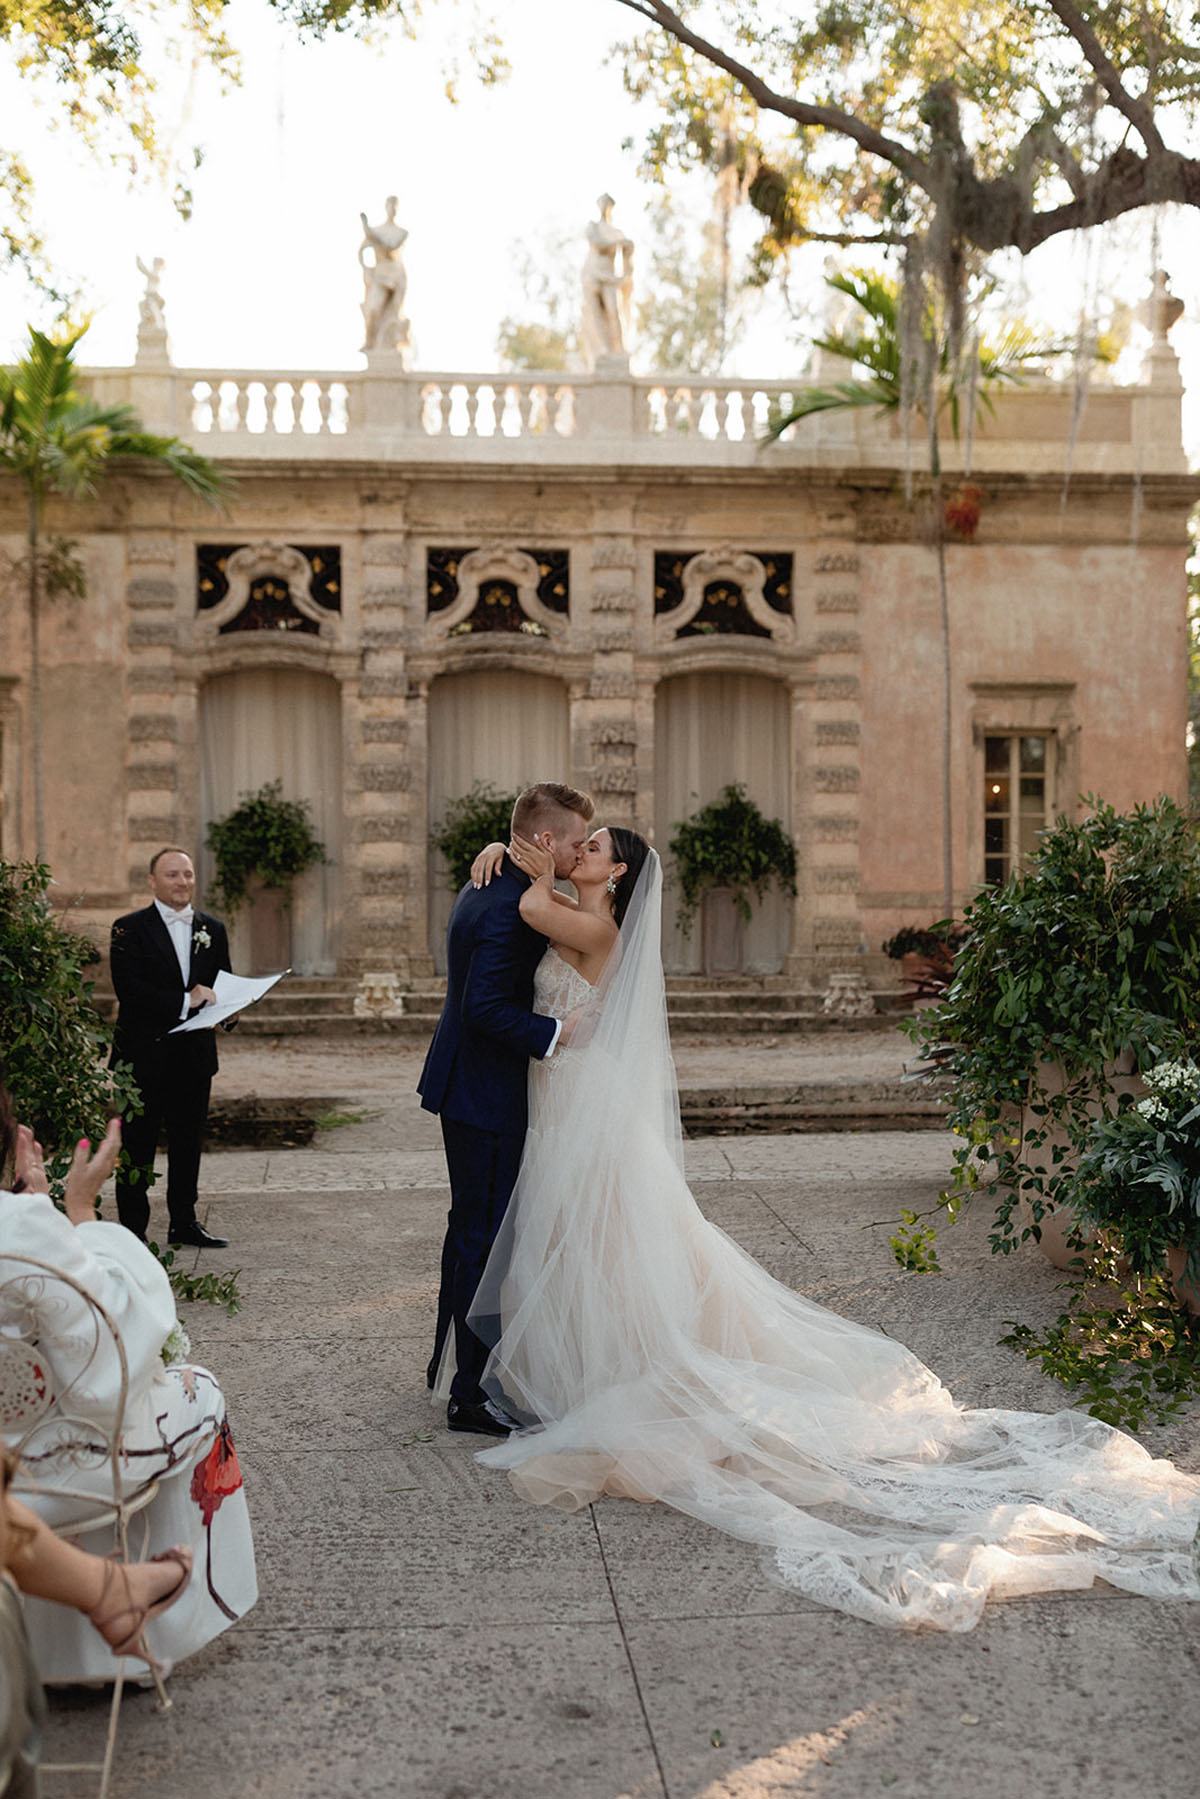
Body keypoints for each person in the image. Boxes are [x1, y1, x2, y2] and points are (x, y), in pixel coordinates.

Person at [462, 830, 1200, 1633]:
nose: (578, 845)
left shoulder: (592, 925)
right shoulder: (579, 910)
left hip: (586, 1104)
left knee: (613, 1241)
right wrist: (498, 850)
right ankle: (602, 1362)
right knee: (608, 1244)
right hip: (572, 1099)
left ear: (620, 872)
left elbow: (534, 905)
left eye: (595, 843)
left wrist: (517, 862)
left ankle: (627, 1366)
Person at [0, 1083, 258, 1682]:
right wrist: (77, 1215)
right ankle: (145, 1630)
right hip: (58, 1472)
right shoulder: (20, 1225)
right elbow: (113, 1361)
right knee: (199, 1390)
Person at [418, 781, 594, 1436]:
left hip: (467, 1084)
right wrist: (558, 1034)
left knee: (468, 1231)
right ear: (545, 841)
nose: (580, 850)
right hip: (484, 1090)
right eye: (575, 840)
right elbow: (484, 1008)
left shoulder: (493, 880)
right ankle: (470, 1393)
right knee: (484, 1238)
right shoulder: (508, 904)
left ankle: (449, 1366)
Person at [109, 845, 232, 1248]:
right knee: (138, 1146)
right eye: (173, 875)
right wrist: (186, 1000)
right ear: (152, 881)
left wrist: (231, 1010)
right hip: (142, 1058)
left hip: (193, 1059)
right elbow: (130, 991)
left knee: (187, 1144)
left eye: (188, 874)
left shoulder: (213, 929)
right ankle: (132, 1231)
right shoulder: (127, 927)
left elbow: (221, 983)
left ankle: (184, 1221)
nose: (183, 882)